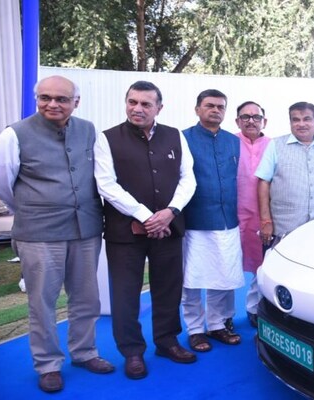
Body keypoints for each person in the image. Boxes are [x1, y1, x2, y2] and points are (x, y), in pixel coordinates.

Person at [0, 75, 115, 393]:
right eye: (45, 97)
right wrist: (34, 209)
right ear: (37, 99)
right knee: (42, 302)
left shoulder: (89, 130)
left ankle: (85, 353)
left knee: (87, 298)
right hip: (38, 233)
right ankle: (47, 364)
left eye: (61, 98)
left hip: (85, 229)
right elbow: (2, 184)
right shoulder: (13, 135)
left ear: (76, 102)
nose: (52, 104)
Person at [95, 80, 197, 380]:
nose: (137, 108)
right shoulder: (106, 138)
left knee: (168, 288)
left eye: (145, 104)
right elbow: (106, 184)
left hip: (168, 227)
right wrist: (145, 215)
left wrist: (170, 212)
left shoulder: (175, 136)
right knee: (125, 294)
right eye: (132, 102)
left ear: (159, 108)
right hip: (124, 232)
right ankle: (132, 352)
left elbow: (188, 178)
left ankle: (167, 341)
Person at [180, 89, 243, 351]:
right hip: (194, 220)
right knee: (191, 279)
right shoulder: (183, 138)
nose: (215, 110)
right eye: (209, 105)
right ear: (198, 109)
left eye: (220, 106)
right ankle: (195, 329)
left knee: (223, 276)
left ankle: (217, 325)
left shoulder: (233, 141)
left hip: (227, 219)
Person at [256, 102, 314, 248]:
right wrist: (266, 220)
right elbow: (263, 182)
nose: (301, 124)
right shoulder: (275, 144)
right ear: (290, 122)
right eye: (296, 120)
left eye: (307, 119)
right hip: (284, 230)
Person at [234, 101, 271, 328]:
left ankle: (254, 308)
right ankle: (222, 318)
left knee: (262, 265)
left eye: (256, 117)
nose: (251, 121)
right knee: (226, 265)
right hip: (232, 215)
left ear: (264, 121)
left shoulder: (274, 145)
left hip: (264, 215)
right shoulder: (229, 142)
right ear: (237, 121)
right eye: (245, 117)